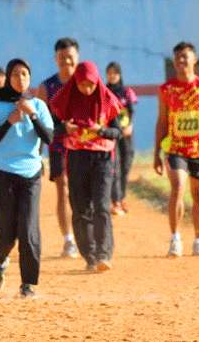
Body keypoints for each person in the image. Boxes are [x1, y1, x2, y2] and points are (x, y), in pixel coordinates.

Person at [0, 59, 54, 298]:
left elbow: (49, 138)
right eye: (15, 74)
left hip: (30, 175)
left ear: (29, 78)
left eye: (24, 74)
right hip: (2, 174)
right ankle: (1, 259)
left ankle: (28, 284)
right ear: (8, 78)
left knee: (28, 228)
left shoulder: (40, 106)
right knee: (7, 233)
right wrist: (8, 122)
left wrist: (32, 116)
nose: (20, 78)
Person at [50, 61, 122, 272]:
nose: (87, 89)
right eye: (82, 84)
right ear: (76, 82)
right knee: (81, 208)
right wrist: (64, 127)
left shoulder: (107, 99)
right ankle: (89, 255)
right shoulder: (66, 99)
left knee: (101, 206)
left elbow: (117, 132)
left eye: (90, 84)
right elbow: (51, 128)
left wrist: (101, 130)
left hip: (102, 158)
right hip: (76, 157)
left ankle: (104, 253)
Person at [153, 42, 199, 258]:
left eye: (185, 57)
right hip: (175, 148)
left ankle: (198, 240)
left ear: (194, 59)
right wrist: (155, 154)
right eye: (177, 57)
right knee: (178, 187)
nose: (181, 61)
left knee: (198, 193)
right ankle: (175, 239)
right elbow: (162, 121)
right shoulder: (166, 89)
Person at [36, 37, 80, 259]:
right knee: (62, 188)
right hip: (58, 144)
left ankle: (84, 235)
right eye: (62, 57)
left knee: (81, 191)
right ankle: (68, 239)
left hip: (84, 145)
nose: (66, 61)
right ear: (56, 59)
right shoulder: (46, 88)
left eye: (70, 57)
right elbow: (40, 124)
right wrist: (37, 156)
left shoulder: (86, 82)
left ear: (77, 57)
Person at [105, 62, 138, 216]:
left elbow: (132, 111)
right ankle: (115, 201)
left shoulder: (127, 92)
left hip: (127, 134)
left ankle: (122, 197)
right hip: (112, 135)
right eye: (109, 73)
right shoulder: (103, 92)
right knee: (115, 167)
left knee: (125, 166)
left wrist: (130, 126)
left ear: (119, 74)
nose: (112, 76)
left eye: (115, 73)